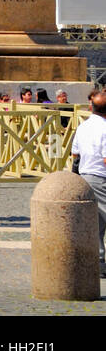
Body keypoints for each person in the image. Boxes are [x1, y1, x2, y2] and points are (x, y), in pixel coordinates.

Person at [71, 86, 106, 277]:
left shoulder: (83, 126)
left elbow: (75, 153)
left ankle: (99, 263)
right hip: (101, 177)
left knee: (97, 223)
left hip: (85, 177)